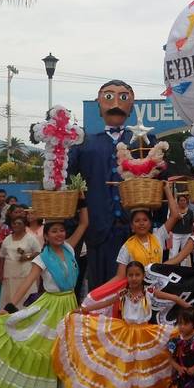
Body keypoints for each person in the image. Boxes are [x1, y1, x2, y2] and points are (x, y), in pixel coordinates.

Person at [0, 206, 89, 388]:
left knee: (69, 348)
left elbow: (84, 224)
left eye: (61, 230)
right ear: (45, 236)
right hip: (52, 306)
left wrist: (81, 203)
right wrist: (7, 308)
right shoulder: (42, 259)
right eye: (54, 231)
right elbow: (26, 283)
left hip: (71, 304)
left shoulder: (69, 248)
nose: (59, 234)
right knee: (50, 350)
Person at [54, 260, 192, 388]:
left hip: (145, 334)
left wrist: (192, 310)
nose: (134, 278)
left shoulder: (149, 292)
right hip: (124, 332)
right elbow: (104, 303)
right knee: (124, 369)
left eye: (137, 275)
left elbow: (174, 298)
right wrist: (83, 310)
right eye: (130, 275)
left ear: (143, 275)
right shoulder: (123, 293)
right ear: (126, 277)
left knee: (141, 369)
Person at [68, 79, 148, 288]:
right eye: (109, 96)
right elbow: (67, 180)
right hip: (98, 228)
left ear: (131, 106)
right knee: (100, 285)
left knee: (137, 286)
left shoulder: (144, 140)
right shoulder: (84, 142)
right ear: (99, 104)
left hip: (135, 228)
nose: (116, 104)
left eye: (123, 97)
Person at [0, 215, 42, 309]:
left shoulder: (31, 238)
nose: (16, 225)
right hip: (9, 274)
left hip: (25, 273)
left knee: (26, 296)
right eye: (14, 223)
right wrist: (0, 272)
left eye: (19, 223)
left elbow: (39, 253)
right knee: (10, 296)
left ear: (24, 225)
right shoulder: (7, 239)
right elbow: (2, 256)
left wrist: (27, 256)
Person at [169, 192, 194, 262]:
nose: (183, 202)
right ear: (178, 202)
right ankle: (171, 268)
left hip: (187, 234)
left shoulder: (190, 212)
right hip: (175, 234)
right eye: (181, 200)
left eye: (184, 200)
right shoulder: (174, 211)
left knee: (185, 254)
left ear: (187, 201)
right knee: (173, 253)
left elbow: (191, 223)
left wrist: (192, 234)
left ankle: (184, 269)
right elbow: (170, 222)